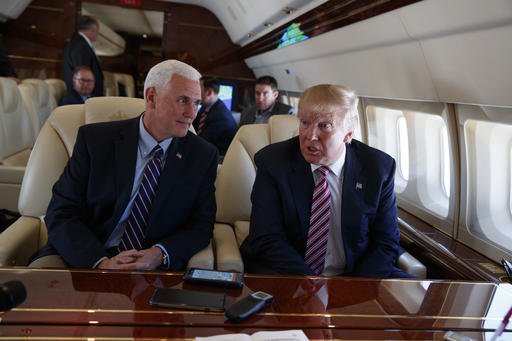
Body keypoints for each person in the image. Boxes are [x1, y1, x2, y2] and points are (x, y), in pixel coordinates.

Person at [29, 59, 218, 271]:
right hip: (83, 256)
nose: (192, 113)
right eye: (183, 100)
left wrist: (159, 254)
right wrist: (101, 262)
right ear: (151, 97)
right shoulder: (95, 141)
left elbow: (201, 225)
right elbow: (61, 212)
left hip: (151, 265)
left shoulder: (202, 155)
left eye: (196, 103)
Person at [240, 84, 412, 278]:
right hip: (288, 273)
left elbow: (386, 242)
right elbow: (266, 238)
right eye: (305, 123)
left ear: (348, 135)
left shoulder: (377, 168)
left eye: (324, 126)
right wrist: (312, 285)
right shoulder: (273, 162)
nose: (309, 136)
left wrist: (354, 289)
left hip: (355, 277)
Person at [192, 77, 237, 156]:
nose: (194, 93)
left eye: (198, 90)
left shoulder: (221, 117)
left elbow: (202, 141)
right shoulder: (206, 106)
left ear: (209, 93)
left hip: (218, 158)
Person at [62, 15, 104, 98]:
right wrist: (87, 98)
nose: (98, 34)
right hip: (81, 98)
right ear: (93, 30)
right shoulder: (80, 47)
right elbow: (82, 75)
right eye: (98, 31)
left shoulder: (80, 44)